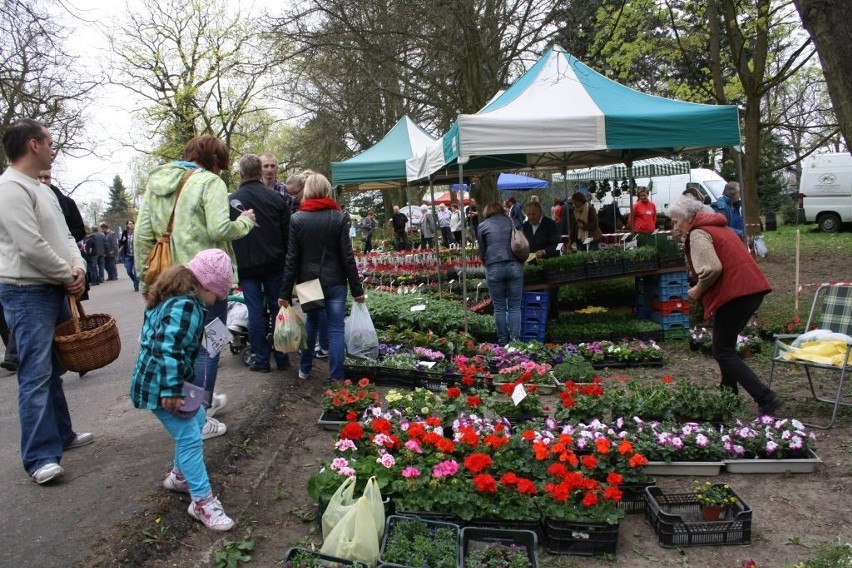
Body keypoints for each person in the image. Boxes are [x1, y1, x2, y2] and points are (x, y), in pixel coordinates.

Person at [135, 134, 256, 440]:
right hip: (205, 280)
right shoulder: (209, 182)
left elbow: (143, 235)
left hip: (169, 279)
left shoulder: (158, 182)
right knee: (210, 345)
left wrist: (144, 280)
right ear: (216, 160)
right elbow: (218, 228)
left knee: (182, 344)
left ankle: (199, 399)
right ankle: (199, 412)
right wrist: (245, 222)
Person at [0, 118, 92, 484]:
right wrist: (66, 274)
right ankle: (39, 457)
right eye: (50, 143)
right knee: (35, 373)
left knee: (53, 369)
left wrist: (79, 266)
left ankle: (62, 434)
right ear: (33, 145)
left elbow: (65, 237)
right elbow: (29, 244)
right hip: (27, 292)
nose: (54, 149)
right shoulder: (9, 189)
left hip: (52, 286)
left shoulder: (42, 189)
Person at [130, 249, 236, 531]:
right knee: (190, 436)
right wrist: (172, 389)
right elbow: (169, 347)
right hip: (162, 385)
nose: (220, 300)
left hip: (159, 380)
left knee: (198, 418)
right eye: (218, 293)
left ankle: (179, 477)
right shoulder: (186, 306)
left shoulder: (173, 298)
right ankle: (202, 502)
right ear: (205, 285)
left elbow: (167, 339)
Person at [669, 196, 784, 416]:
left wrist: (698, 289)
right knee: (725, 346)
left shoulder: (698, 233)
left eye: (676, 221)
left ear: (689, 217)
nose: (676, 226)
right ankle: (728, 394)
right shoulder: (717, 227)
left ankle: (766, 398)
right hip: (750, 290)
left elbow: (712, 268)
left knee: (721, 351)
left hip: (736, 294)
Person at [278, 172, 365, 382]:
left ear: (307, 191)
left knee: (312, 324)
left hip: (308, 281)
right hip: (335, 281)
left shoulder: (297, 219)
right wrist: (357, 289)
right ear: (327, 190)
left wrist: (284, 292)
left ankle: (304, 369)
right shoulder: (339, 217)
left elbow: (292, 258)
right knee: (336, 329)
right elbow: (347, 256)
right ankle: (336, 378)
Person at [229, 154, 291, 373]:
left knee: (254, 311)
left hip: (247, 265)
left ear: (241, 174)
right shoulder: (276, 199)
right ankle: (282, 358)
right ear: (260, 171)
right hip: (275, 262)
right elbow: (287, 235)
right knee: (278, 309)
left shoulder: (232, 201)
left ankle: (262, 361)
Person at [478, 202, 524, 344]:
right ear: (501, 211)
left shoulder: (482, 226)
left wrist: (488, 263)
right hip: (514, 264)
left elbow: (482, 250)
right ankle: (515, 339)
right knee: (515, 305)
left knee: (499, 307)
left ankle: (503, 340)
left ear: (487, 213)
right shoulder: (513, 222)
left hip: (494, 266)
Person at [118, 220, 140, 291]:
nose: (131, 225)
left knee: (136, 272)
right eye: (130, 224)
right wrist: (123, 240)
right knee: (129, 271)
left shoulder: (137, 231)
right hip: (128, 255)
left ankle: (136, 286)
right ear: (127, 225)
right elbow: (121, 242)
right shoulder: (124, 233)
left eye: (132, 223)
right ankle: (135, 281)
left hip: (137, 255)